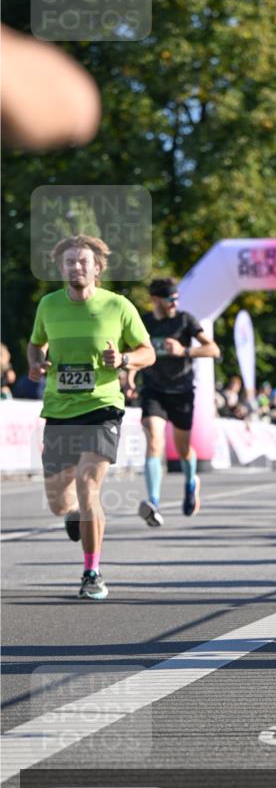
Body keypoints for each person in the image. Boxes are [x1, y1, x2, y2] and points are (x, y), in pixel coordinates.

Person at [27, 235, 154, 599]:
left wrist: (126, 360)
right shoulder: (48, 305)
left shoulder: (118, 306)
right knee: (58, 500)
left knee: (88, 487)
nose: (76, 267)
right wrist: (36, 362)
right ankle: (74, 518)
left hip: (102, 406)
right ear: (61, 267)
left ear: (98, 268)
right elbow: (36, 343)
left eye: (83, 261)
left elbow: (148, 351)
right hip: (59, 409)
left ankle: (92, 572)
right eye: (70, 262)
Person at [136, 277, 220, 527]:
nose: (174, 303)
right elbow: (134, 352)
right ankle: (153, 502)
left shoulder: (185, 320)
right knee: (154, 439)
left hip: (182, 390)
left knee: (183, 448)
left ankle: (191, 481)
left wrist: (184, 351)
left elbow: (213, 349)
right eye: (169, 299)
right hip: (153, 389)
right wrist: (129, 376)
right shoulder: (144, 322)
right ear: (155, 300)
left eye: (176, 299)